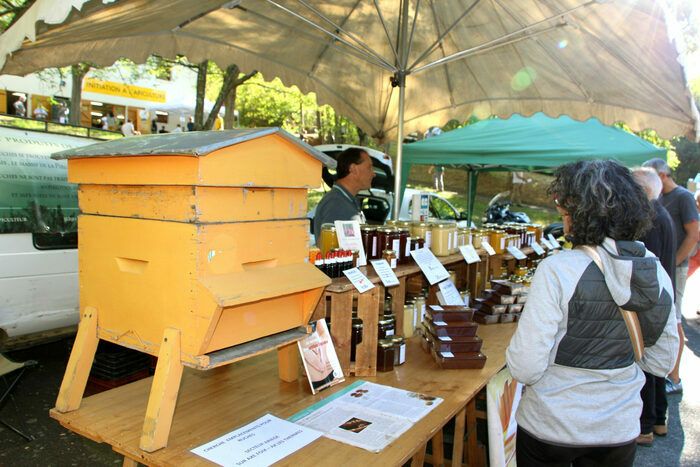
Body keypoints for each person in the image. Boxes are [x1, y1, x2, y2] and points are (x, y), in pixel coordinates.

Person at [507, 160, 678, 466]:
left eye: (566, 210)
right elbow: (661, 361)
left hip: (552, 424)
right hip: (618, 427)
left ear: (579, 214)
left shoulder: (558, 270)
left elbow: (525, 367)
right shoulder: (655, 271)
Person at [643, 157, 697, 395]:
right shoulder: (661, 197)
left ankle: (674, 377)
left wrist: (673, 263)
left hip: (675, 267)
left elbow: (694, 234)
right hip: (665, 265)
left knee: (673, 320)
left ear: (662, 175)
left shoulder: (683, 197)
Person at [632, 167, 676, 445]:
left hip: (651, 299)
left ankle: (646, 426)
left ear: (644, 190)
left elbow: (645, 263)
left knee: (647, 364)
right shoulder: (661, 213)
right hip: (660, 295)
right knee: (655, 368)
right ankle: (659, 419)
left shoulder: (650, 216)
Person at [313, 147, 374, 242]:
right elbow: (327, 246)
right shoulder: (336, 204)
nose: (373, 174)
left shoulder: (346, 199)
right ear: (353, 169)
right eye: (369, 167)